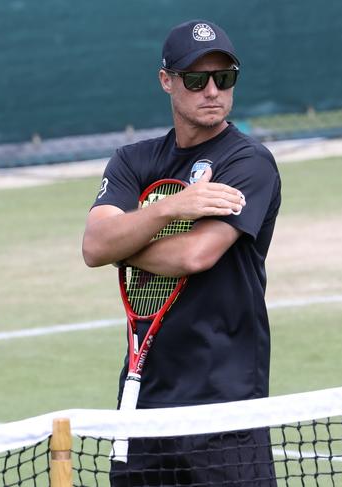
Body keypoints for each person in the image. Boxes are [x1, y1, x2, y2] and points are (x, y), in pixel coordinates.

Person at [81, 19, 281, 486]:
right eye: (196, 79)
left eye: (224, 78)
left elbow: (196, 254)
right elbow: (94, 245)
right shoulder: (133, 160)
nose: (212, 90)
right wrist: (175, 206)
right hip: (143, 397)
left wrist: (126, 244)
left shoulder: (248, 162)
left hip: (224, 403)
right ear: (166, 81)